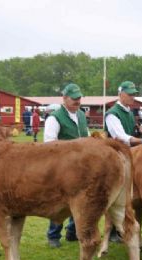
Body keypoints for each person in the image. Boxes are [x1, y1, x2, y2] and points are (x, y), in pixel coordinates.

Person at [105, 81, 142, 242]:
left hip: (132, 154)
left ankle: (123, 226)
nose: (132, 97)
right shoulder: (112, 113)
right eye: (129, 94)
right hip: (117, 156)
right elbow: (121, 137)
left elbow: (132, 134)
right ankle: (113, 231)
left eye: (134, 94)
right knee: (116, 192)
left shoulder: (128, 111)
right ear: (120, 95)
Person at [44, 83, 89, 248]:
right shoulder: (54, 118)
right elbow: (49, 144)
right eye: (74, 98)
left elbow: (87, 137)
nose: (77, 101)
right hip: (61, 168)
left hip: (81, 167)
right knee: (59, 203)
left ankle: (72, 231)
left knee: (78, 201)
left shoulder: (82, 115)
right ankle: (53, 235)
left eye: (79, 98)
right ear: (64, 98)